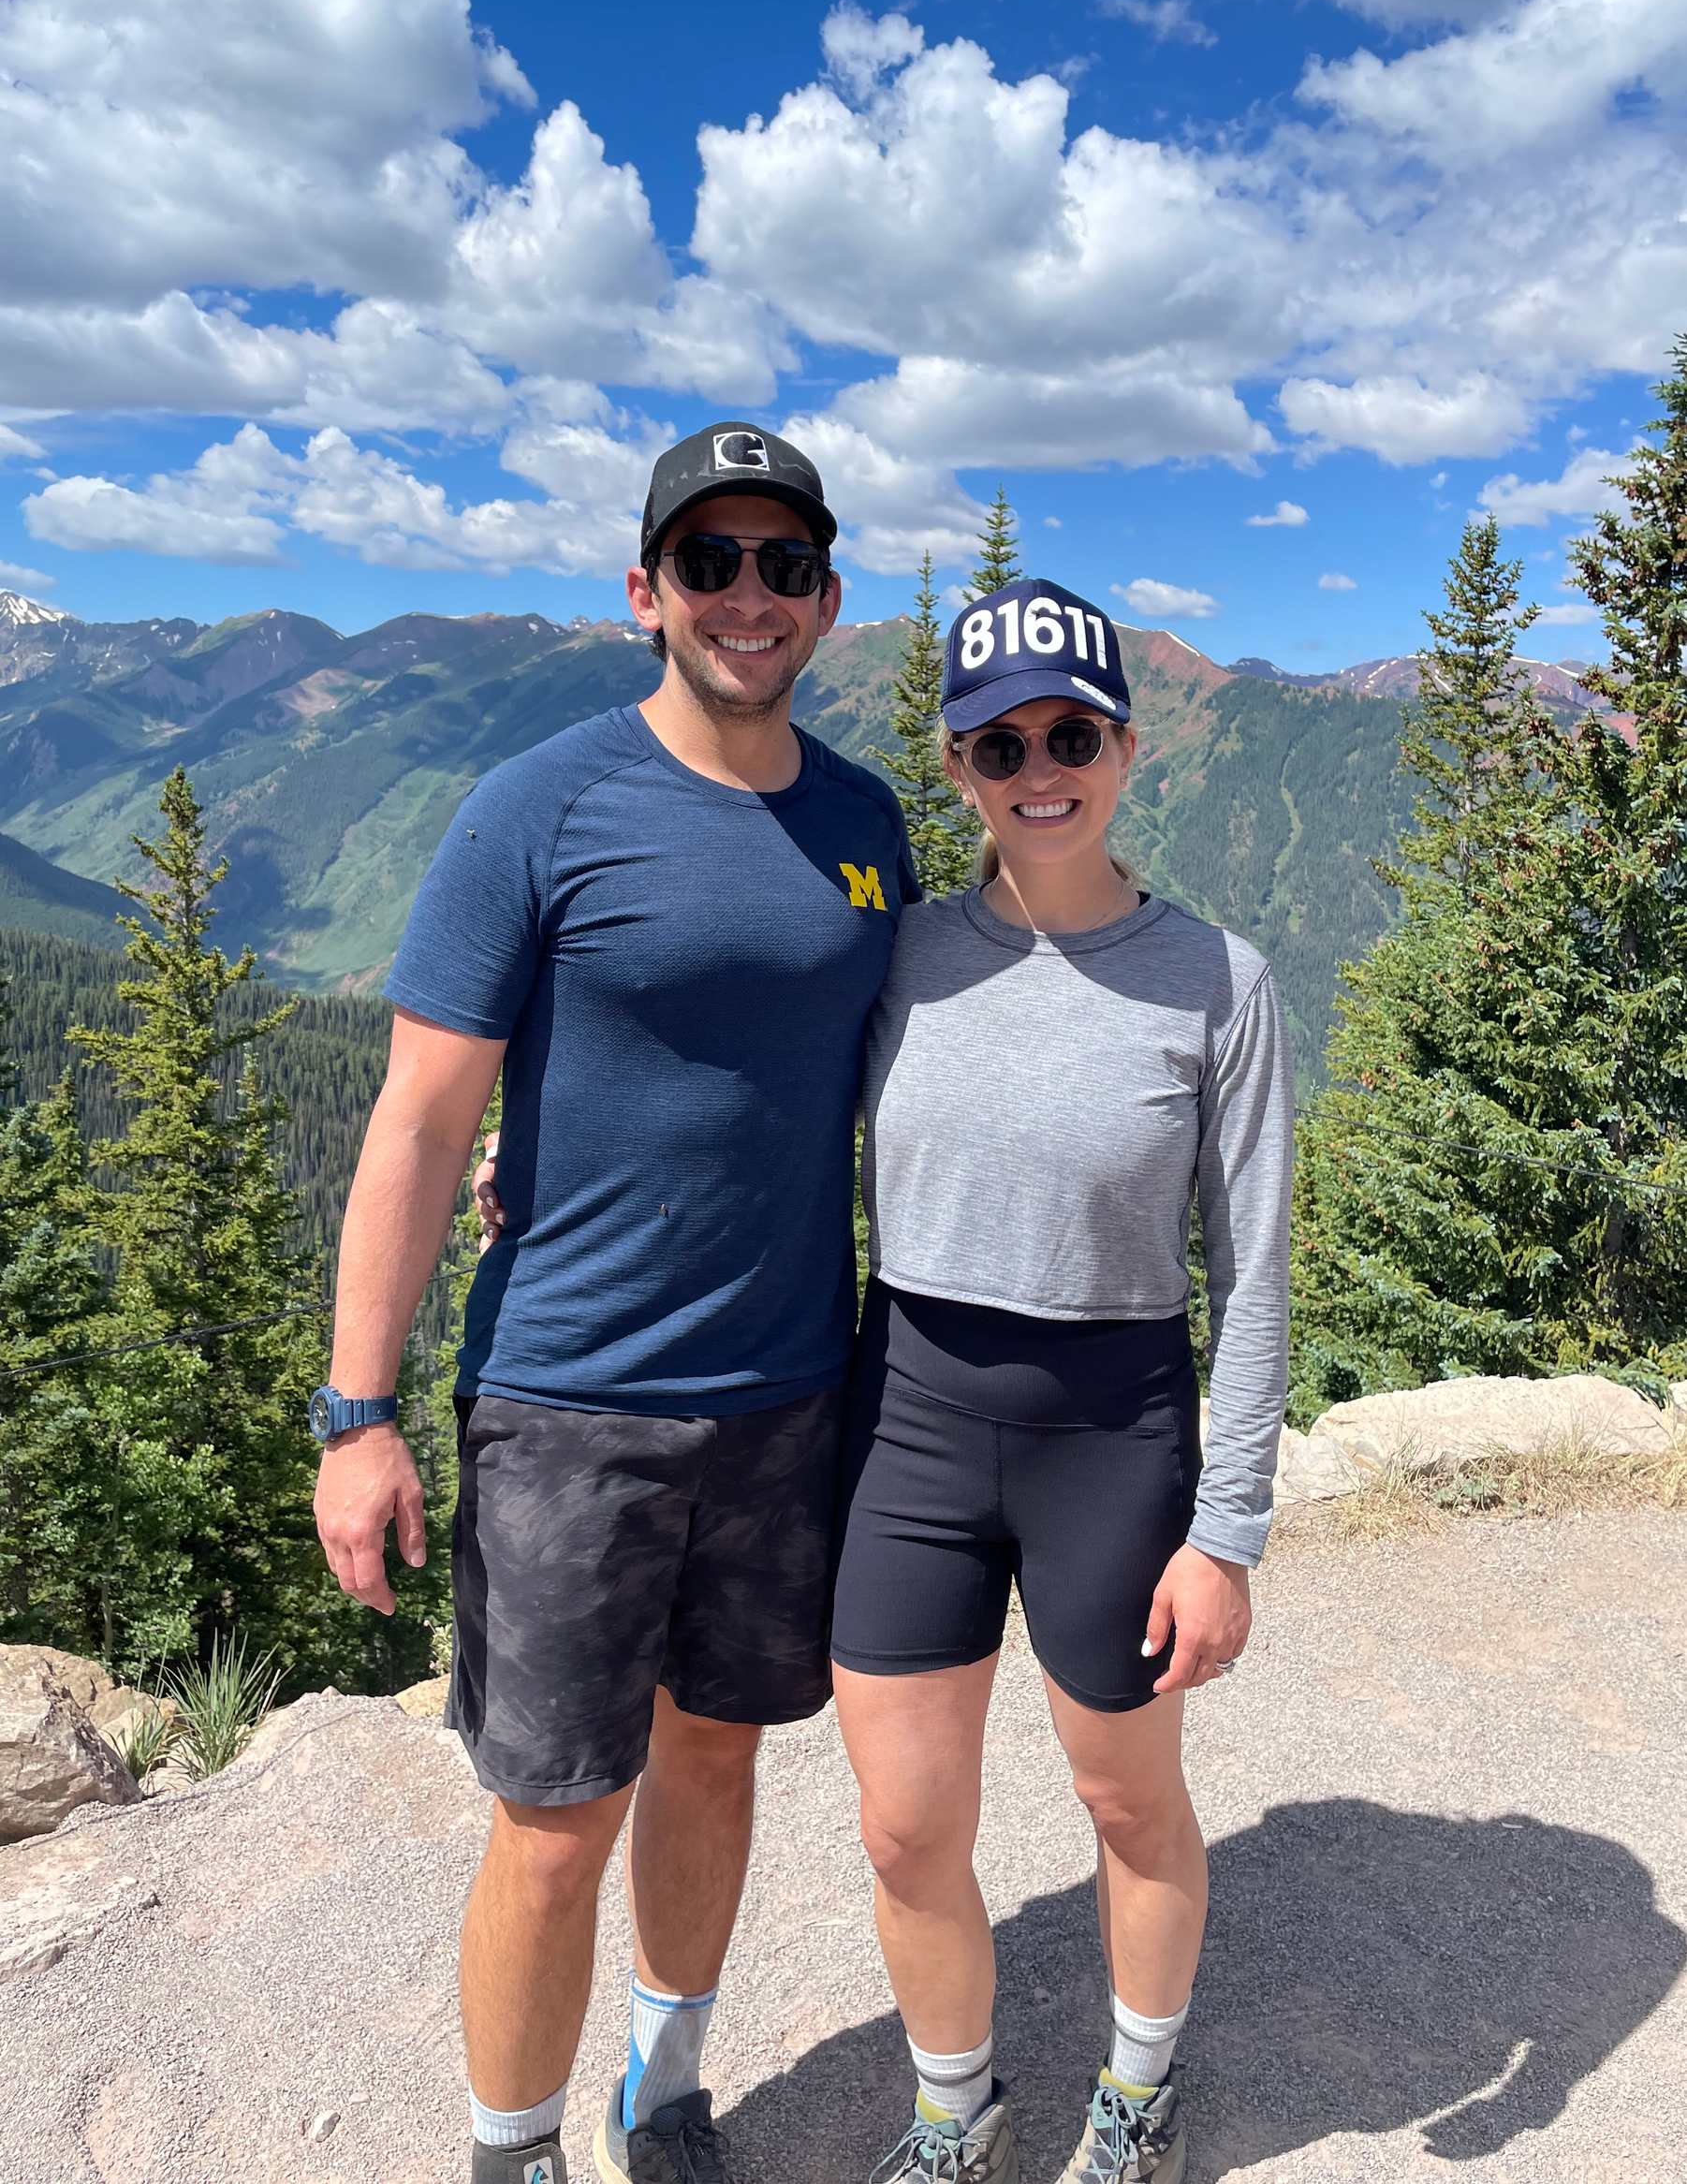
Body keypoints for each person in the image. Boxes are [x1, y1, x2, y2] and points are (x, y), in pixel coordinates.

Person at [309, 419, 917, 2184]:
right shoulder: (540, 805)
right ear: (644, 592)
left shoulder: (867, 822)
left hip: (789, 1390)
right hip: (569, 1401)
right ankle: (513, 2152)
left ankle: (667, 2089)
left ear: (823, 598)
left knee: (715, 1760)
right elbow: (423, 1120)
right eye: (709, 561)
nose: (748, 594)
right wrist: (357, 1416)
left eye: (782, 564)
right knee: (557, 1821)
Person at [831, 578, 1294, 2184]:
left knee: (1123, 1797)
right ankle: (956, 2112)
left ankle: (1136, 2092)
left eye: (1070, 733)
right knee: (902, 1822)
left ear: (1126, 748)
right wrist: (528, 1161)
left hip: (1114, 1428)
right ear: (956, 766)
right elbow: (732, 1108)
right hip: (907, 1410)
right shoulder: (893, 958)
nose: (1039, 766)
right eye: (998, 740)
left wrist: (1225, 1526)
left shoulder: (1219, 983)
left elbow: (1251, 1273)